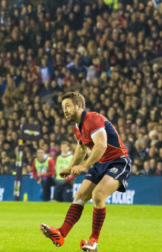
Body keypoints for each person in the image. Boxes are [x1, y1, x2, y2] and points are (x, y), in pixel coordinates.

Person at [41, 92, 131, 251]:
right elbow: (82, 148)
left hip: (118, 161)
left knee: (98, 195)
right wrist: (71, 167)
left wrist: (84, 166)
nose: (65, 110)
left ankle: (94, 242)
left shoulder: (93, 119)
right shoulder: (77, 127)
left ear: (79, 106)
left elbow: (101, 145)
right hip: (101, 163)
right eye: (63, 107)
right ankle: (61, 234)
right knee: (80, 196)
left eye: (68, 106)